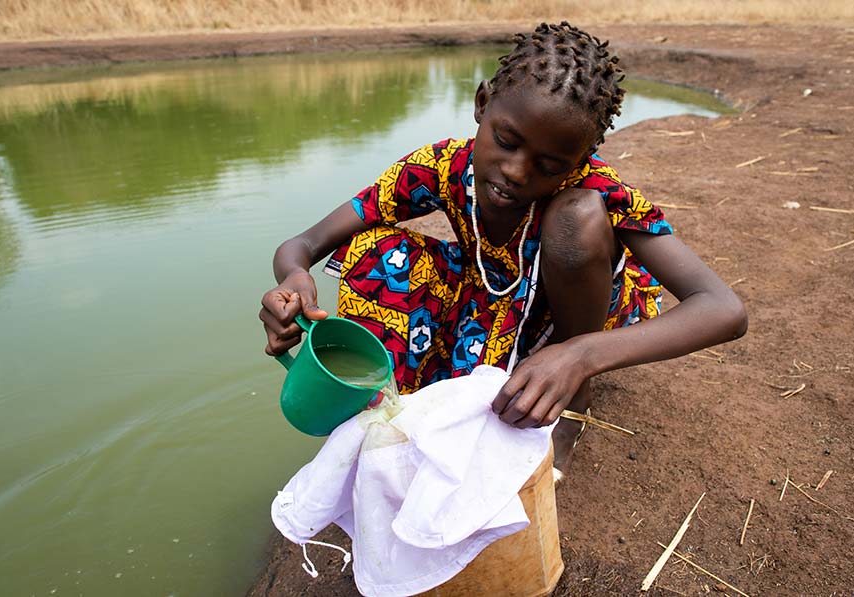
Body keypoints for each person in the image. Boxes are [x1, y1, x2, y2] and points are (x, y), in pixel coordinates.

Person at [259, 21, 747, 483]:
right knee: (377, 246)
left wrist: (580, 355)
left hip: (575, 315)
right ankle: (390, 404)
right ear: (481, 104)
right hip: (493, 303)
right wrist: (293, 281)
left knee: (575, 220)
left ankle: (573, 396)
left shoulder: (595, 189)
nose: (516, 171)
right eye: (506, 141)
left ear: (582, 158)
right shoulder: (439, 167)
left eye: (550, 164)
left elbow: (722, 309)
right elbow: (301, 246)